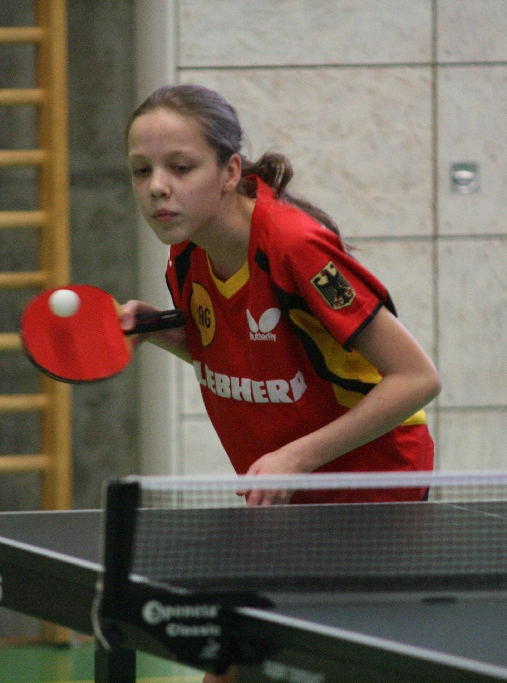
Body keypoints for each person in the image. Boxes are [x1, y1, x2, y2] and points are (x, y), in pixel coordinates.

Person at [119, 83, 440, 683]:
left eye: (180, 167)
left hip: (369, 493)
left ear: (229, 171)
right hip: (285, 500)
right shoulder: (187, 256)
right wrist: (159, 331)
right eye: (142, 170)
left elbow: (417, 378)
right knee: (236, 665)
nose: (157, 186)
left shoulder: (294, 247)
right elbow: (238, 355)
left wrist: (296, 457)